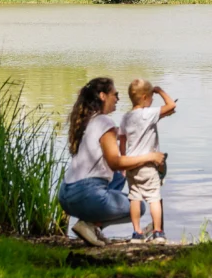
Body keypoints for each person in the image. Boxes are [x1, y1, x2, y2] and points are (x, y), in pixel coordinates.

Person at [58, 77, 166, 247]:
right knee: (139, 207)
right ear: (103, 96)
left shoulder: (88, 120)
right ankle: (92, 225)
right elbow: (115, 162)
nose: (118, 98)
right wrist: (151, 157)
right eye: (115, 94)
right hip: (85, 195)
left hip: (65, 195)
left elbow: (116, 163)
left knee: (120, 176)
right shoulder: (104, 121)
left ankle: (90, 226)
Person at [119, 79, 176, 244]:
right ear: (145, 97)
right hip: (148, 166)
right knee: (154, 198)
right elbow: (171, 105)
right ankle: (158, 232)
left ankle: (136, 233)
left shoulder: (125, 117)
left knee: (134, 198)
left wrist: (123, 162)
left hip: (131, 164)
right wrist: (160, 91)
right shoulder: (149, 113)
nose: (152, 99)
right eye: (151, 96)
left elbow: (122, 141)